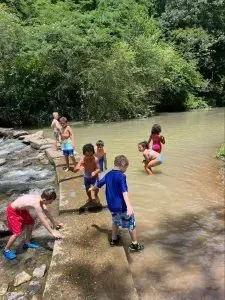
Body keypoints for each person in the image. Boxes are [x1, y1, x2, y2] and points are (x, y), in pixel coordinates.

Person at [89, 155, 144, 252]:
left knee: (115, 221)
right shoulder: (121, 176)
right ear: (122, 164)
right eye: (125, 168)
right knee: (131, 224)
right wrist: (129, 206)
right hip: (122, 206)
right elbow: (124, 191)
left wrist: (92, 188)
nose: (125, 170)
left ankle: (114, 240)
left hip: (112, 206)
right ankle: (135, 244)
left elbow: (99, 184)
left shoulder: (108, 174)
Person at [3, 188, 63, 260]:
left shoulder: (40, 198)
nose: (50, 204)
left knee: (31, 223)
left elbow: (47, 212)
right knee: (17, 232)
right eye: (49, 202)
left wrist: (54, 223)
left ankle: (27, 242)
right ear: (44, 200)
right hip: (12, 211)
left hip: (22, 210)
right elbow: (43, 220)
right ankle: (6, 250)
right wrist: (52, 232)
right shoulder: (36, 204)